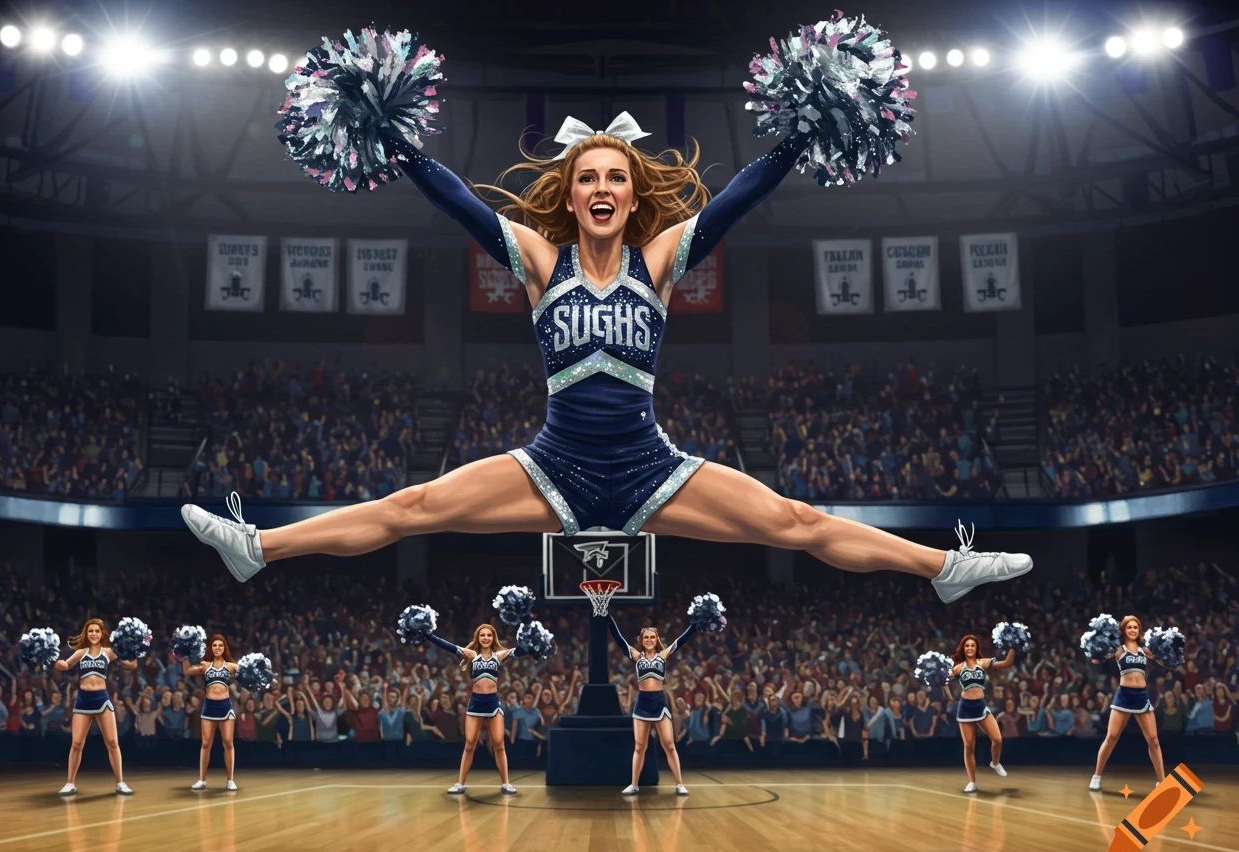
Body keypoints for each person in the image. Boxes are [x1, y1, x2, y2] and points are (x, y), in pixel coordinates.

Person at [182, 105, 1032, 604]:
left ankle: (943, 569)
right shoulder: (538, 262)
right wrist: (391, 137)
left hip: (646, 465)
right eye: (587, 176)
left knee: (796, 522)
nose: (600, 188)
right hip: (553, 464)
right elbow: (455, 202)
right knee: (411, 504)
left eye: (615, 178)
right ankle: (257, 547)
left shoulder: (658, 265)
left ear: (633, 197)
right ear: (570, 191)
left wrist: (803, 133)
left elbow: (737, 201)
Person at [427, 623, 526, 795]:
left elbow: (520, 651)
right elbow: (448, 646)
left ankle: (506, 784)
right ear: (478, 638)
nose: (486, 638)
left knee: (499, 744)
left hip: (493, 703)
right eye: (482, 635)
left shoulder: (499, 655)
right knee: (469, 744)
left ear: (493, 638)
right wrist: (428, 635)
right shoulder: (472, 654)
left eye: (489, 635)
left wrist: (535, 645)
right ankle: (460, 783)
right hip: (476, 703)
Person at [608, 614, 696, 796]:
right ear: (642, 640)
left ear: (657, 640)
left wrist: (695, 625)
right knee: (639, 746)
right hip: (642, 704)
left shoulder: (663, 655)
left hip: (659, 702)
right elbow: (618, 638)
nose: (649, 640)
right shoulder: (637, 656)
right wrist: (607, 617)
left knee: (669, 744)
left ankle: (679, 783)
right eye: (646, 637)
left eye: (652, 637)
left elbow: (682, 640)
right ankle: (634, 784)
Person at [53, 619, 137, 795]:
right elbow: (65, 665)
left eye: (97, 631)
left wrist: (132, 647)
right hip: (83, 699)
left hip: (101, 698)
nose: (93, 634)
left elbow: (132, 664)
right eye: (90, 631)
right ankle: (70, 783)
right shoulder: (81, 652)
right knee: (76, 743)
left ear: (102, 634)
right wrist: (52, 658)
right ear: (86, 633)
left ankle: (120, 782)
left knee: (113, 742)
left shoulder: (109, 652)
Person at [1089, 616, 1166, 791]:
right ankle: (1096, 776)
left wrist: (1170, 653)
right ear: (1124, 630)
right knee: (1112, 737)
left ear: (1139, 630)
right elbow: (1097, 659)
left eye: (1136, 627)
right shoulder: (1118, 650)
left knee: (1153, 740)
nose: (1133, 630)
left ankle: (1162, 781)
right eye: (1129, 627)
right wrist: (1096, 652)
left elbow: (1166, 662)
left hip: (1141, 696)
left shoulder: (1144, 651)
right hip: (1124, 695)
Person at [948, 634, 1014, 793]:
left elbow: (1007, 663)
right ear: (963, 649)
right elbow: (942, 680)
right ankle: (972, 782)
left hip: (980, 706)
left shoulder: (983, 663)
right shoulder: (958, 668)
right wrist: (942, 686)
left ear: (976, 648)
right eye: (967, 646)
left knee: (997, 739)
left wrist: (1013, 647)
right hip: (965, 708)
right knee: (969, 745)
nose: (969, 648)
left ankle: (995, 763)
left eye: (972, 645)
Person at [180, 635, 240, 791]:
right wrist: (185, 653)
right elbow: (187, 671)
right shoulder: (205, 665)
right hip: (209, 706)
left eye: (220, 645)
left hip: (225, 706)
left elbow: (247, 674)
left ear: (224, 647)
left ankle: (230, 780)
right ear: (211, 648)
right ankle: (202, 779)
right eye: (214, 645)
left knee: (228, 742)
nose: (218, 648)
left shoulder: (232, 666)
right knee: (206, 743)